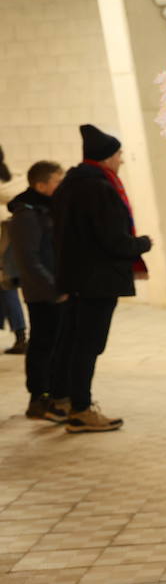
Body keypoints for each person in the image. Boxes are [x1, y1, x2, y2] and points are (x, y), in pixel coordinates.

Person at [50, 124, 153, 433]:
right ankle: (81, 410)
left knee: (70, 340)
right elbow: (113, 240)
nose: (121, 159)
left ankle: (63, 399)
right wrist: (142, 244)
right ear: (108, 157)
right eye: (119, 153)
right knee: (88, 345)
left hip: (74, 277)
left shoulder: (70, 184)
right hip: (98, 280)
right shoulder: (100, 188)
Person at [8, 161, 66, 419]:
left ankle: (53, 395)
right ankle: (38, 399)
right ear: (41, 185)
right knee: (43, 344)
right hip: (42, 293)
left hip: (55, 289)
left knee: (55, 344)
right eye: (57, 181)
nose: (61, 186)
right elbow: (29, 259)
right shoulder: (26, 214)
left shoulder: (46, 209)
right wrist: (54, 288)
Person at [0, 146, 27, 355]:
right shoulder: (14, 180)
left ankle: (20, 336)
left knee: (6, 287)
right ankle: (20, 335)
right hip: (12, 240)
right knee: (7, 287)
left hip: (3, 240)